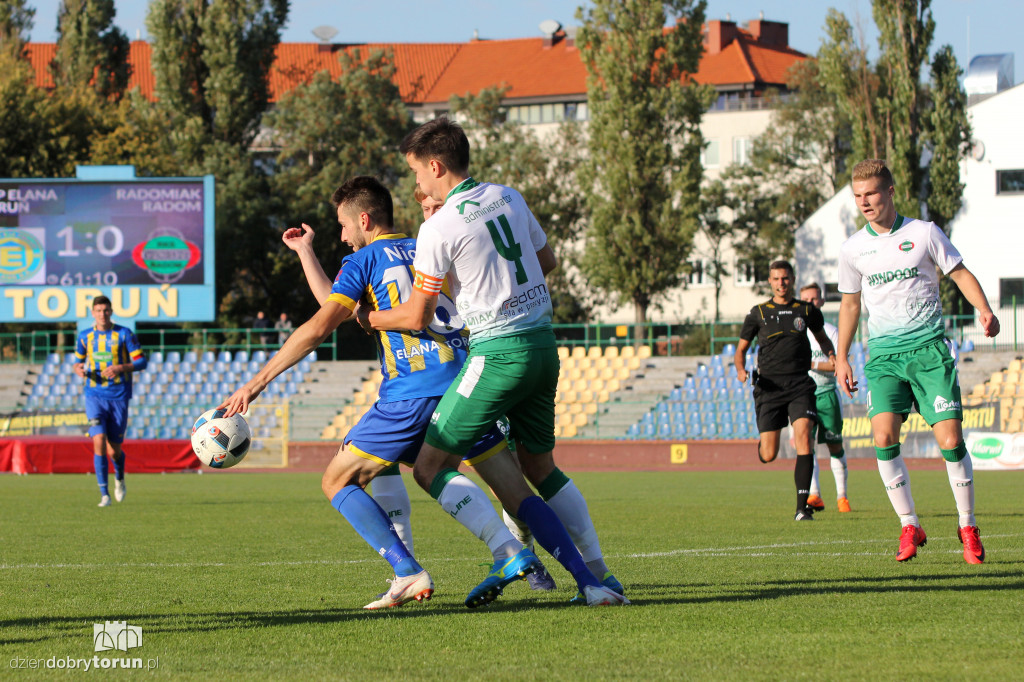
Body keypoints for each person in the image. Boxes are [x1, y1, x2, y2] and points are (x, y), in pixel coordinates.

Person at [222, 176, 545, 610]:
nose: (341, 234)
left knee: (339, 477)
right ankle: (555, 566)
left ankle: (408, 570)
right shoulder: (429, 244)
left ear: (364, 219)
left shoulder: (368, 260)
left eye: (342, 225)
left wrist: (255, 383)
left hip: (411, 390)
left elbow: (324, 323)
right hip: (467, 377)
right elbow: (341, 307)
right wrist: (305, 253)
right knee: (502, 482)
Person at [364, 116, 627, 606]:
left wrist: (373, 319)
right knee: (540, 467)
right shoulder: (508, 195)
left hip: (497, 352)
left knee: (428, 465)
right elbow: (546, 263)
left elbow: (418, 316)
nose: (417, 184)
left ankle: (506, 551)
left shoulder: (438, 226)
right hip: (543, 346)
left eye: (418, 174)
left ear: (436, 166)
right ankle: (598, 579)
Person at [834, 159, 999, 564]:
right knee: (883, 437)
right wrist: (840, 357)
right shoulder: (853, 248)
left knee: (950, 441)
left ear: (890, 191)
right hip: (884, 357)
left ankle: (967, 525)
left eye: (871, 193)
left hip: (928, 352)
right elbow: (851, 305)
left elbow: (959, 273)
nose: (864, 202)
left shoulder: (923, 234)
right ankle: (910, 524)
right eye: (857, 196)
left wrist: (985, 309)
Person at [734, 261, 836, 521]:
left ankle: (802, 508)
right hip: (768, 388)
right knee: (769, 455)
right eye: (776, 279)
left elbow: (823, 339)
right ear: (770, 281)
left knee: (804, 435)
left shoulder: (806, 310)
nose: (781, 283)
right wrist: (741, 369)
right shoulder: (758, 313)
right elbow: (741, 350)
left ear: (792, 279)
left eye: (786, 278)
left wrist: (835, 357)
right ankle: (764, 444)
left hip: (800, 385)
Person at [73, 295, 148, 507]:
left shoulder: (124, 334)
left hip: (119, 396)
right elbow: (77, 363)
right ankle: (104, 494)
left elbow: (141, 361)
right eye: (98, 310)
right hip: (94, 395)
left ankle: (120, 477)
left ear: (111, 311)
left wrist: (120, 368)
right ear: (92, 313)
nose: (102, 314)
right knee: (98, 440)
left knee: (114, 450)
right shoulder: (85, 336)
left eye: (105, 310)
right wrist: (78, 369)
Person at [798, 283, 851, 513]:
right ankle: (815, 495)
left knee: (834, 445)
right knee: (806, 447)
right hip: (803, 395)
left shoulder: (831, 332)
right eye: (806, 299)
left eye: (814, 299)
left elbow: (837, 366)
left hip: (827, 394)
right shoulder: (797, 333)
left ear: (821, 301)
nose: (810, 303)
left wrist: (810, 364)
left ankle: (842, 497)